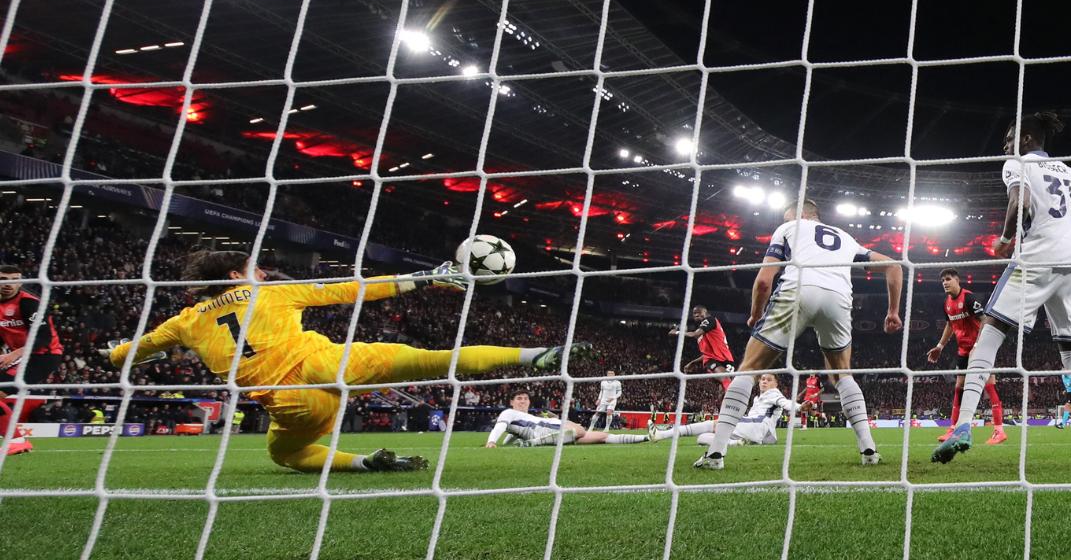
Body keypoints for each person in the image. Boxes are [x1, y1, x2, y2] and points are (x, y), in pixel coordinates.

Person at [104, 250, 593, 473]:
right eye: (255, 268)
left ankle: (365, 463)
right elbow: (349, 290)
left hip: (287, 405)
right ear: (237, 275)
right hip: (323, 366)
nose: (263, 271)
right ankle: (536, 354)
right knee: (432, 361)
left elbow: (131, 352)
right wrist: (424, 277)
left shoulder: (184, 321)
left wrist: (115, 353)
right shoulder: (269, 292)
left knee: (285, 455)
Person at [932, 112, 1071, 469]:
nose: (1005, 145)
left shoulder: (1017, 164)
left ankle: (964, 425)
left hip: (1035, 260)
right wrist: (1069, 225)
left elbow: (1022, 202)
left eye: (1010, 138)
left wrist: (1004, 240)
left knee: (988, 335)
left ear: (1028, 140)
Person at [694, 200, 903, 470]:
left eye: (788, 216)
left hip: (797, 290)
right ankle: (869, 450)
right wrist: (893, 311)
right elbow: (894, 266)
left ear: (802, 215)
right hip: (838, 299)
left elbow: (764, 281)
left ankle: (715, 454)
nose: (785, 220)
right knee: (842, 374)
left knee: (749, 369)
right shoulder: (846, 238)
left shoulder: (789, 228)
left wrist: (756, 313)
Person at [926, 269, 1007, 445]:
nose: (945, 283)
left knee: (989, 385)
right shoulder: (946, 303)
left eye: (948, 279)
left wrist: (978, 345)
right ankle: (953, 428)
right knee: (959, 387)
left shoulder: (969, 298)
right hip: (963, 351)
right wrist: (940, 346)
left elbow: (985, 319)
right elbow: (950, 325)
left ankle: (999, 430)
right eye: (942, 281)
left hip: (980, 348)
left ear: (957, 280)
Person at [0, 264, 65, 457]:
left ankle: (16, 441)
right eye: (4, 279)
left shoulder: (29, 303)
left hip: (44, 356)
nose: (9, 284)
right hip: (21, 357)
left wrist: (14, 354)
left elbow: (43, 338)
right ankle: (16, 441)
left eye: (15, 280)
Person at [649, 373, 798, 446]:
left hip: (757, 428)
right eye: (762, 379)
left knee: (715, 424)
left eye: (769, 379)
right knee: (702, 438)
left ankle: (662, 435)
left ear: (776, 384)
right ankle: (736, 443)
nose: (764, 381)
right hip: (760, 433)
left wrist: (799, 406)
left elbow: (786, 403)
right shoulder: (757, 398)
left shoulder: (774, 394)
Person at [485, 390, 647, 447]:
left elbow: (512, 434)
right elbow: (500, 426)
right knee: (579, 429)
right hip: (543, 430)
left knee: (602, 436)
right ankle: (534, 443)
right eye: (519, 398)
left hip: (550, 429)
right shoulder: (508, 412)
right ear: (511, 402)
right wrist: (492, 442)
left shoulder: (526, 417)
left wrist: (508, 443)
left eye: (525, 398)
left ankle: (647, 437)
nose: (522, 401)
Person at [671, 305, 736, 391]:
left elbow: (694, 334)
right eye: (694, 314)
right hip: (712, 360)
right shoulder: (703, 334)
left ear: (705, 312)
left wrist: (677, 332)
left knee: (723, 390)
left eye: (698, 312)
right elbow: (707, 355)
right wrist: (692, 363)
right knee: (726, 381)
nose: (696, 315)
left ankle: (725, 404)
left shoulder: (710, 320)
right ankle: (735, 404)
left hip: (727, 359)